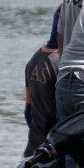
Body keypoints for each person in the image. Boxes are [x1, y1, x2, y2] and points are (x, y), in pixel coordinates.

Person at [24, 8, 60, 156]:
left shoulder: (33, 60)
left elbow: (28, 110)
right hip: (52, 148)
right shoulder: (63, 62)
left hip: (34, 145)